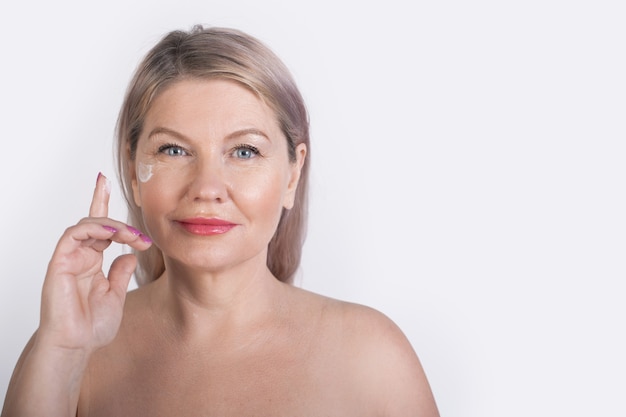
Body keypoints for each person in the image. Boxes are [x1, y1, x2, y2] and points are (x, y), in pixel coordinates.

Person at [2, 25, 439, 416]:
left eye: (244, 151)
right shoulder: (72, 350)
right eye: (174, 150)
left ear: (292, 174)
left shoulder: (373, 359)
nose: (207, 187)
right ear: (134, 170)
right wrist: (62, 352)